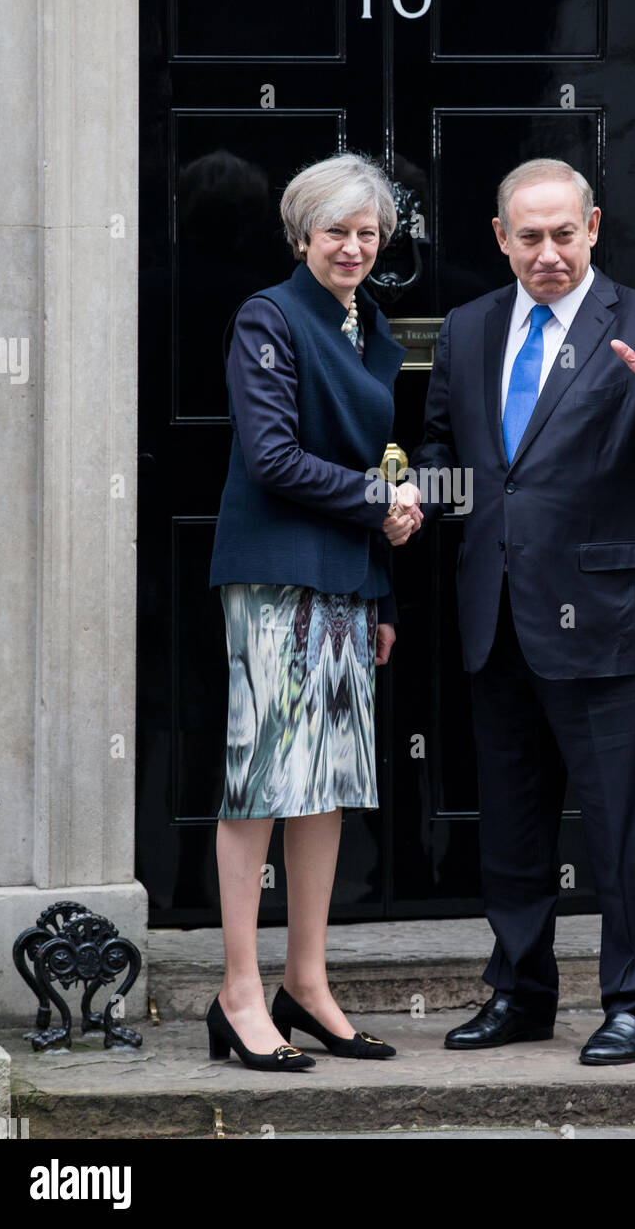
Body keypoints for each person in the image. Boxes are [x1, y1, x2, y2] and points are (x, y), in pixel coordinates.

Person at [406, 158, 635, 1064]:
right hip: (498, 615)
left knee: (624, 827)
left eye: (563, 234)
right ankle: (520, 993)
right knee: (511, 825)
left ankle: (633, 1003)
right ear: (502, 239)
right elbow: (449, 451)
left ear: (593, 228)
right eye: (529, 237)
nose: (547, 253)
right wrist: (411, 499)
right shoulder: (469, 328)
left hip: (609, 616)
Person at [205, 152, 420, 1071]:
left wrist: (381, 588)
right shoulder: (269, 315)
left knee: (327, 787)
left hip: (342, 581)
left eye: (369, 232)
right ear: (302, 236)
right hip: (272, 575)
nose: (354, 246)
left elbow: (385, 461)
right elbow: (272, 457)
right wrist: (379, 503)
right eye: (336, 230)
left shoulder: (373, 326)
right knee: (260, 783)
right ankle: (238, 993)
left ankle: (308, 983)